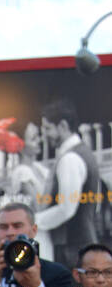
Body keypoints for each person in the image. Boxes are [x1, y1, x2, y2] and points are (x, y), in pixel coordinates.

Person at [36, 101, 104, 262]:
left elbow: (67, 209)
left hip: (72, 251)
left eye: (47, 128)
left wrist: (34, 221)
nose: (44, 134)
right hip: (82, 247)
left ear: (63, 126)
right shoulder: (84, 152)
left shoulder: (70, 159)